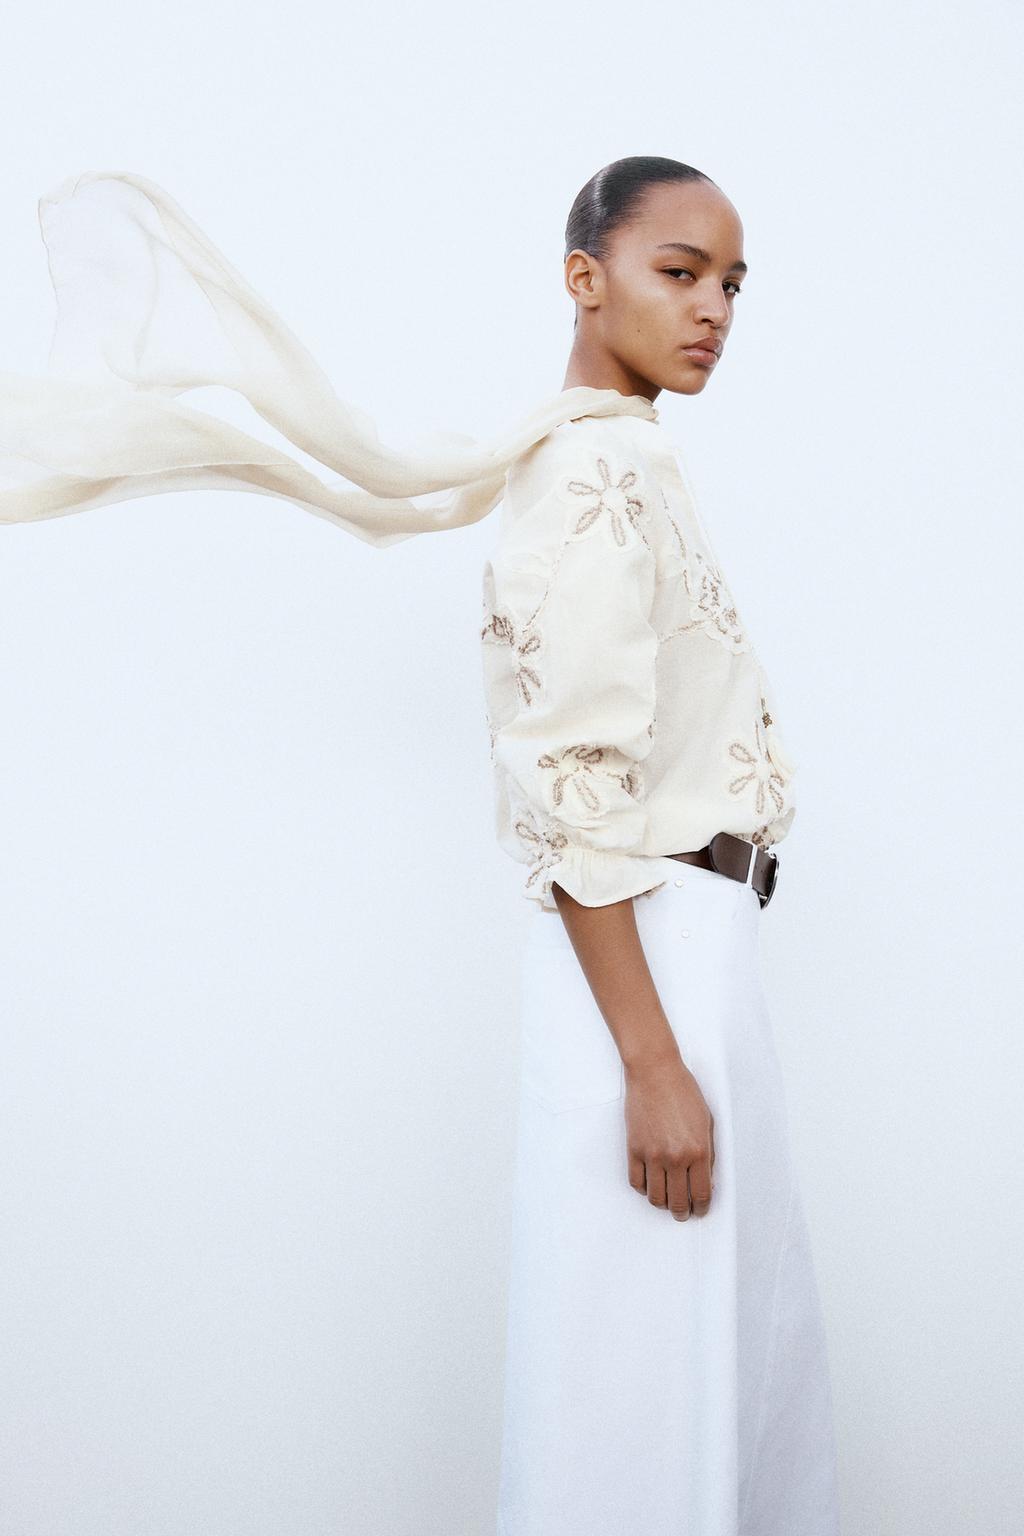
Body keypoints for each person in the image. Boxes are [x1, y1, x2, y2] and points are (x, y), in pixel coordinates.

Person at [0, 156, 840, 1535]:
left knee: (708, 1370)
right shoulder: (586, 474)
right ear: (585, 279)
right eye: (681, 272)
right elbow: (567, 782)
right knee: (638, 1379)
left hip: (694, 954)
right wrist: (651, 1062)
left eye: (734, 285)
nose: (714, 310)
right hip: (647, 962)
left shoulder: (626, 457)